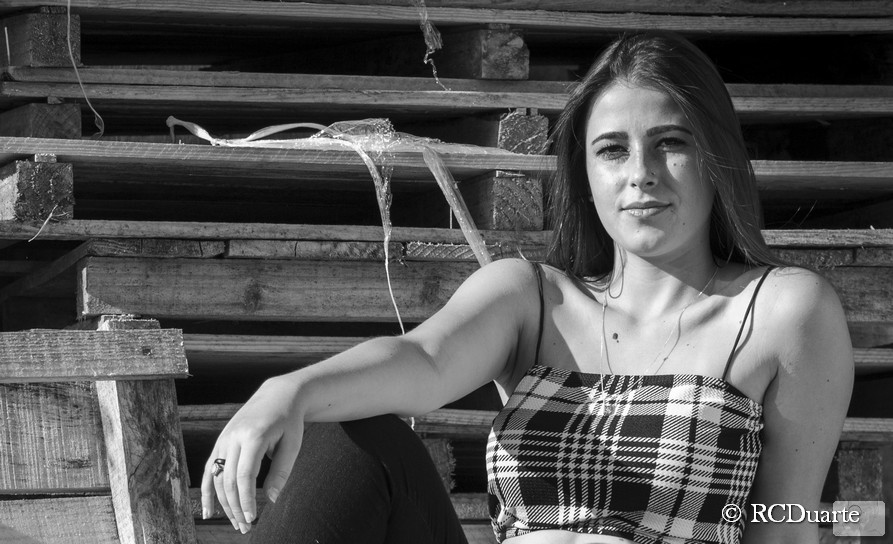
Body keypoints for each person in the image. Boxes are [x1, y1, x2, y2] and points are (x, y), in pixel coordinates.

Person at [201, 31, 854, 544]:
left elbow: (786, 522)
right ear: (584, 173)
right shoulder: (531, 299)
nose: (641, 174)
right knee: (350, 437)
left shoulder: (781, 312)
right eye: (612, 150)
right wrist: (287, 391)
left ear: (717, 158)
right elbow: (424, 359)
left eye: (670, 143)